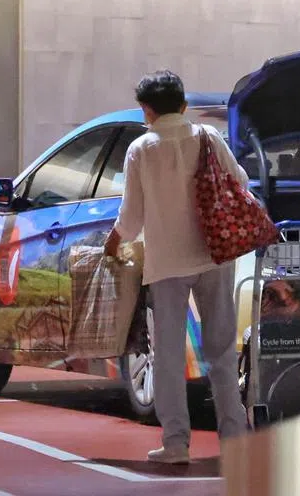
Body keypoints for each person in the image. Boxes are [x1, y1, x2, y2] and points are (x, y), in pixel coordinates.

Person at [102, 70, 248, 464]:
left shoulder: (141, 149)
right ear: (183, 105)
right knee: (221, 351)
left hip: (166, 263)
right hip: (215, 254)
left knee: (166, 354)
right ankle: (234, 439)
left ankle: (176, 443)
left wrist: (112, 245)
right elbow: (242, 181)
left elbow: (130, 218)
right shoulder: (209, 138)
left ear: (146, 110)